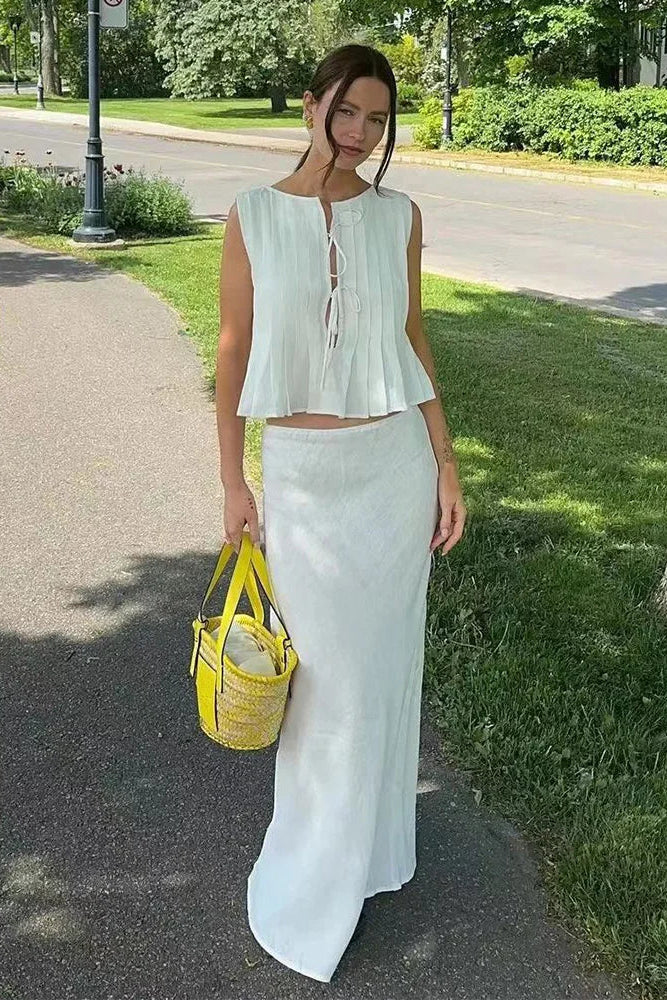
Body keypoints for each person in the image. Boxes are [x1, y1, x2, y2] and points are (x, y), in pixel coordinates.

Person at [215, 43, 467, 983]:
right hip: (305, 476)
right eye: (347, 112)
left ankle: (369, 858)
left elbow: (409, 336)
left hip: (392, 470)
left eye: (377, 119)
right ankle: (314, 871)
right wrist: (234, 483)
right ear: (314, 104)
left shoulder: (397, 216)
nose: (360, 134)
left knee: (382, 675)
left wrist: (444, 462)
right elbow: (234, 350)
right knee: (321, 691)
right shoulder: (251, 217)